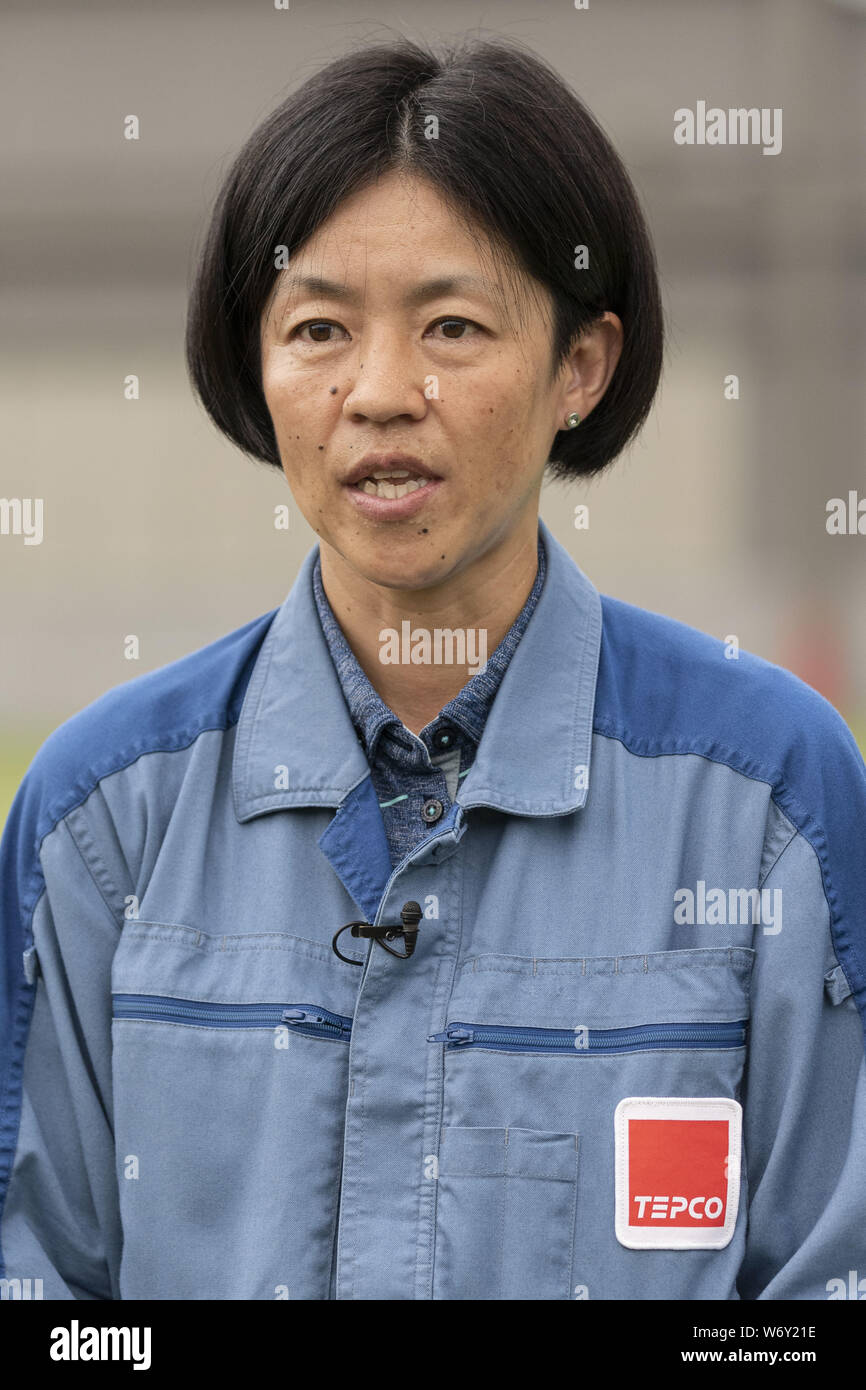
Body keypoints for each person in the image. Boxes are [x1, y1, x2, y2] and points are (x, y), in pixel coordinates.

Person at [1, 34, 864, 1303]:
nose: (379, 392)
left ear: (582, 364)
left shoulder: (767, 799)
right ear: (257, 364)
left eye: (452, 325)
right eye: (318, 329)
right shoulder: (101, 817)